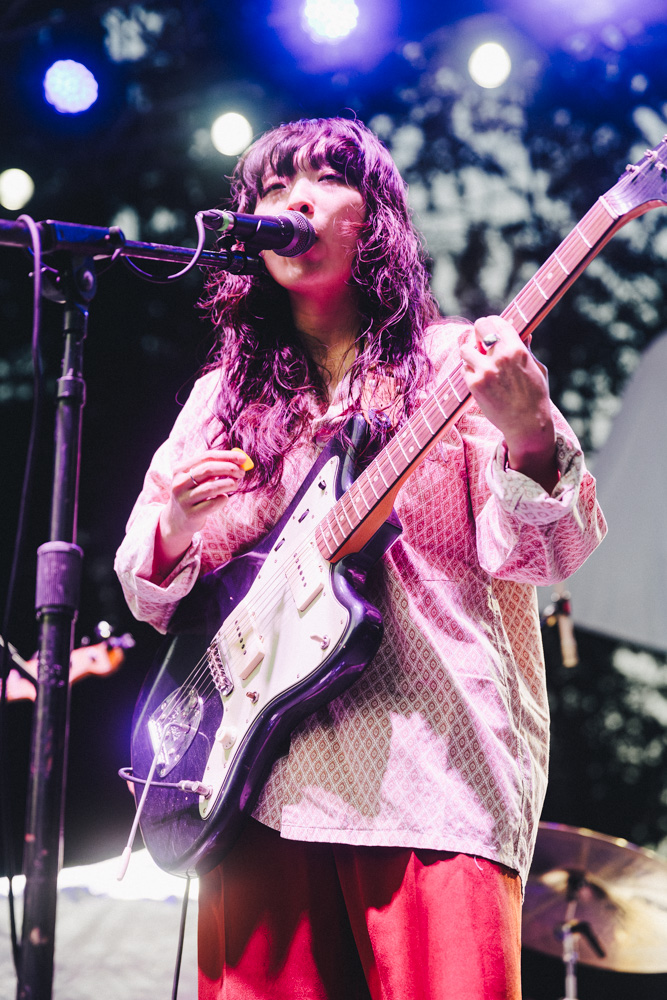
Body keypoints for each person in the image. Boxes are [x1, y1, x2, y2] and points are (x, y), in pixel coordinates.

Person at [114, 116, 606, 999]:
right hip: (257, 785)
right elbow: (152, 592)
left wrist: (527, 426)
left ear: (373, 214)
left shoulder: (458, 361)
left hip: (433, 769)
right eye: (270, 189)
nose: (291, 201)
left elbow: (544, 547)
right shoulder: (219, 402)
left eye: (322, 179)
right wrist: (179, 523)